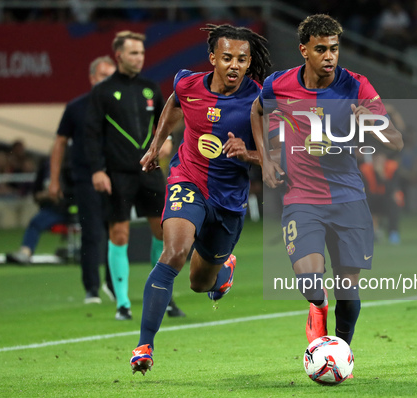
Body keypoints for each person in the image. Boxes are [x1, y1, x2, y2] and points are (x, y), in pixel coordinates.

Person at [251, 14, 403, 354]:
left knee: (347, 291)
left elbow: (396, 142)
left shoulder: (357, 85)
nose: (330, 55)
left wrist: (373, 122)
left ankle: (340, 353)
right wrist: (266, 158)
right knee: (311, 280)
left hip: (348, 199)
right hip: (302, 198)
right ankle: (316, 310)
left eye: (334, 48)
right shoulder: (279, 84)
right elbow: (257, 111)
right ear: (304, 50)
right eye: (321, 49)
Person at [129, 23, 271, 376]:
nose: (235, 65)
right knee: (174, 252)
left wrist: (249, 154)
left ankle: (223, 271)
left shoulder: (259, 100)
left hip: (229, 201)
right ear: (212, 59)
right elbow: (175, 102)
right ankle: (144, 344)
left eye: (242, 59)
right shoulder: (187, 83)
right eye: (227, 58)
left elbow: (280, 158)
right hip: (187, 180)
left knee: (199, 284)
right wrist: (155, 145)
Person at [84, 31, 167, 320]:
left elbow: (164, 122)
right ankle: (123, 303)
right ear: (119, 56)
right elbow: (91, 134)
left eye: (142, 53)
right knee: (119, 234)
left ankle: (161, 295)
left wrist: (165, 140)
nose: (139, 58)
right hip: (118, 174)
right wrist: (97, 170)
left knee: (164, 232)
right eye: (133, 53)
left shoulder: (150, 88)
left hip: (150, 172)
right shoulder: (102, 91)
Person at [49, 55, 117, 304]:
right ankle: (91, 288)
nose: (108, 82)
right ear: (92, 78)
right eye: (103, 76)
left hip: (117, 178)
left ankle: (113, 284)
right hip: (86, 178)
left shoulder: (120, 108)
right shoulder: (77, 107)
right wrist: (54, 180)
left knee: (117, 232)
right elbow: (59, 143)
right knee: (91, 233)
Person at [6, 158, 72, 264]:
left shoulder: (71, 165)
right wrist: (45, 196)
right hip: (52, 209)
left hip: (68, 209)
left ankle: (25, 252)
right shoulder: (46, 166)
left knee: (36, 222)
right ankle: (25, 252)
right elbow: (35, 194)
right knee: (36, 222)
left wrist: (61, 196)